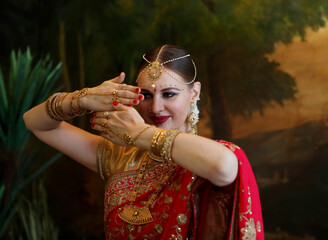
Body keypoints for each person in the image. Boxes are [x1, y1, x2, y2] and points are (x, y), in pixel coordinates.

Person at [23, 45, 264, 239]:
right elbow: (34, 122)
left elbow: (225, 165)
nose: (156, 107)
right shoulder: (118, 157)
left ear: (194, 93)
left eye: (169, 94)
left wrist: (139, 133)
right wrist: (82, 99)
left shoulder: (206, 160)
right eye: (146, 95)